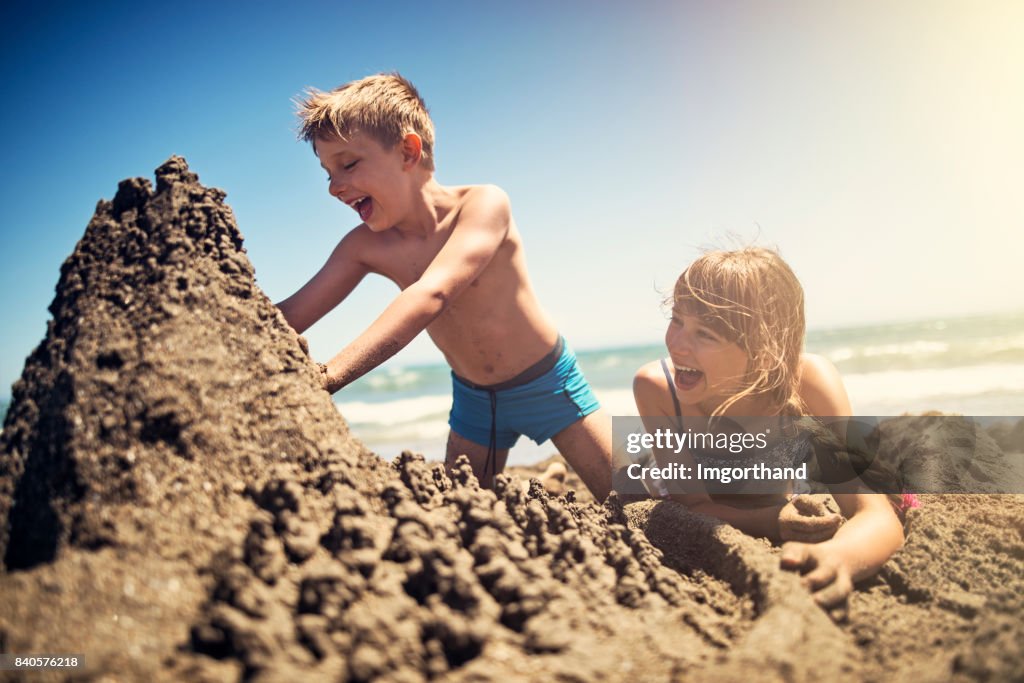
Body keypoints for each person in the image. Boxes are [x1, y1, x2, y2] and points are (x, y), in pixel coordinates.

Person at [276, 73, 611, 500]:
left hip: (547, 383)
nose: (334, 187)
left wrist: (328, 375)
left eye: (348, 164)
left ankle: (553, 481)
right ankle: (543, 484)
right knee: (462, 505)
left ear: (408, 151)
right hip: (475, 400)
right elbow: (291, 315)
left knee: (636, 500)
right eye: (327, 172)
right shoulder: (364, 246)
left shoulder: (484, 205)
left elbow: (431, 293)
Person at [632, 247, 904, 607]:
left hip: (776, 484)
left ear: (763, 349)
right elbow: (695, 506)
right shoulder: (657, 388)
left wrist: (841, 556)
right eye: (676, 319)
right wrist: (774, 522)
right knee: (625, 480)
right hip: (669, 478)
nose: (677, 344)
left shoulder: (810, 382)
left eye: (705, 334)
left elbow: (874, 512)